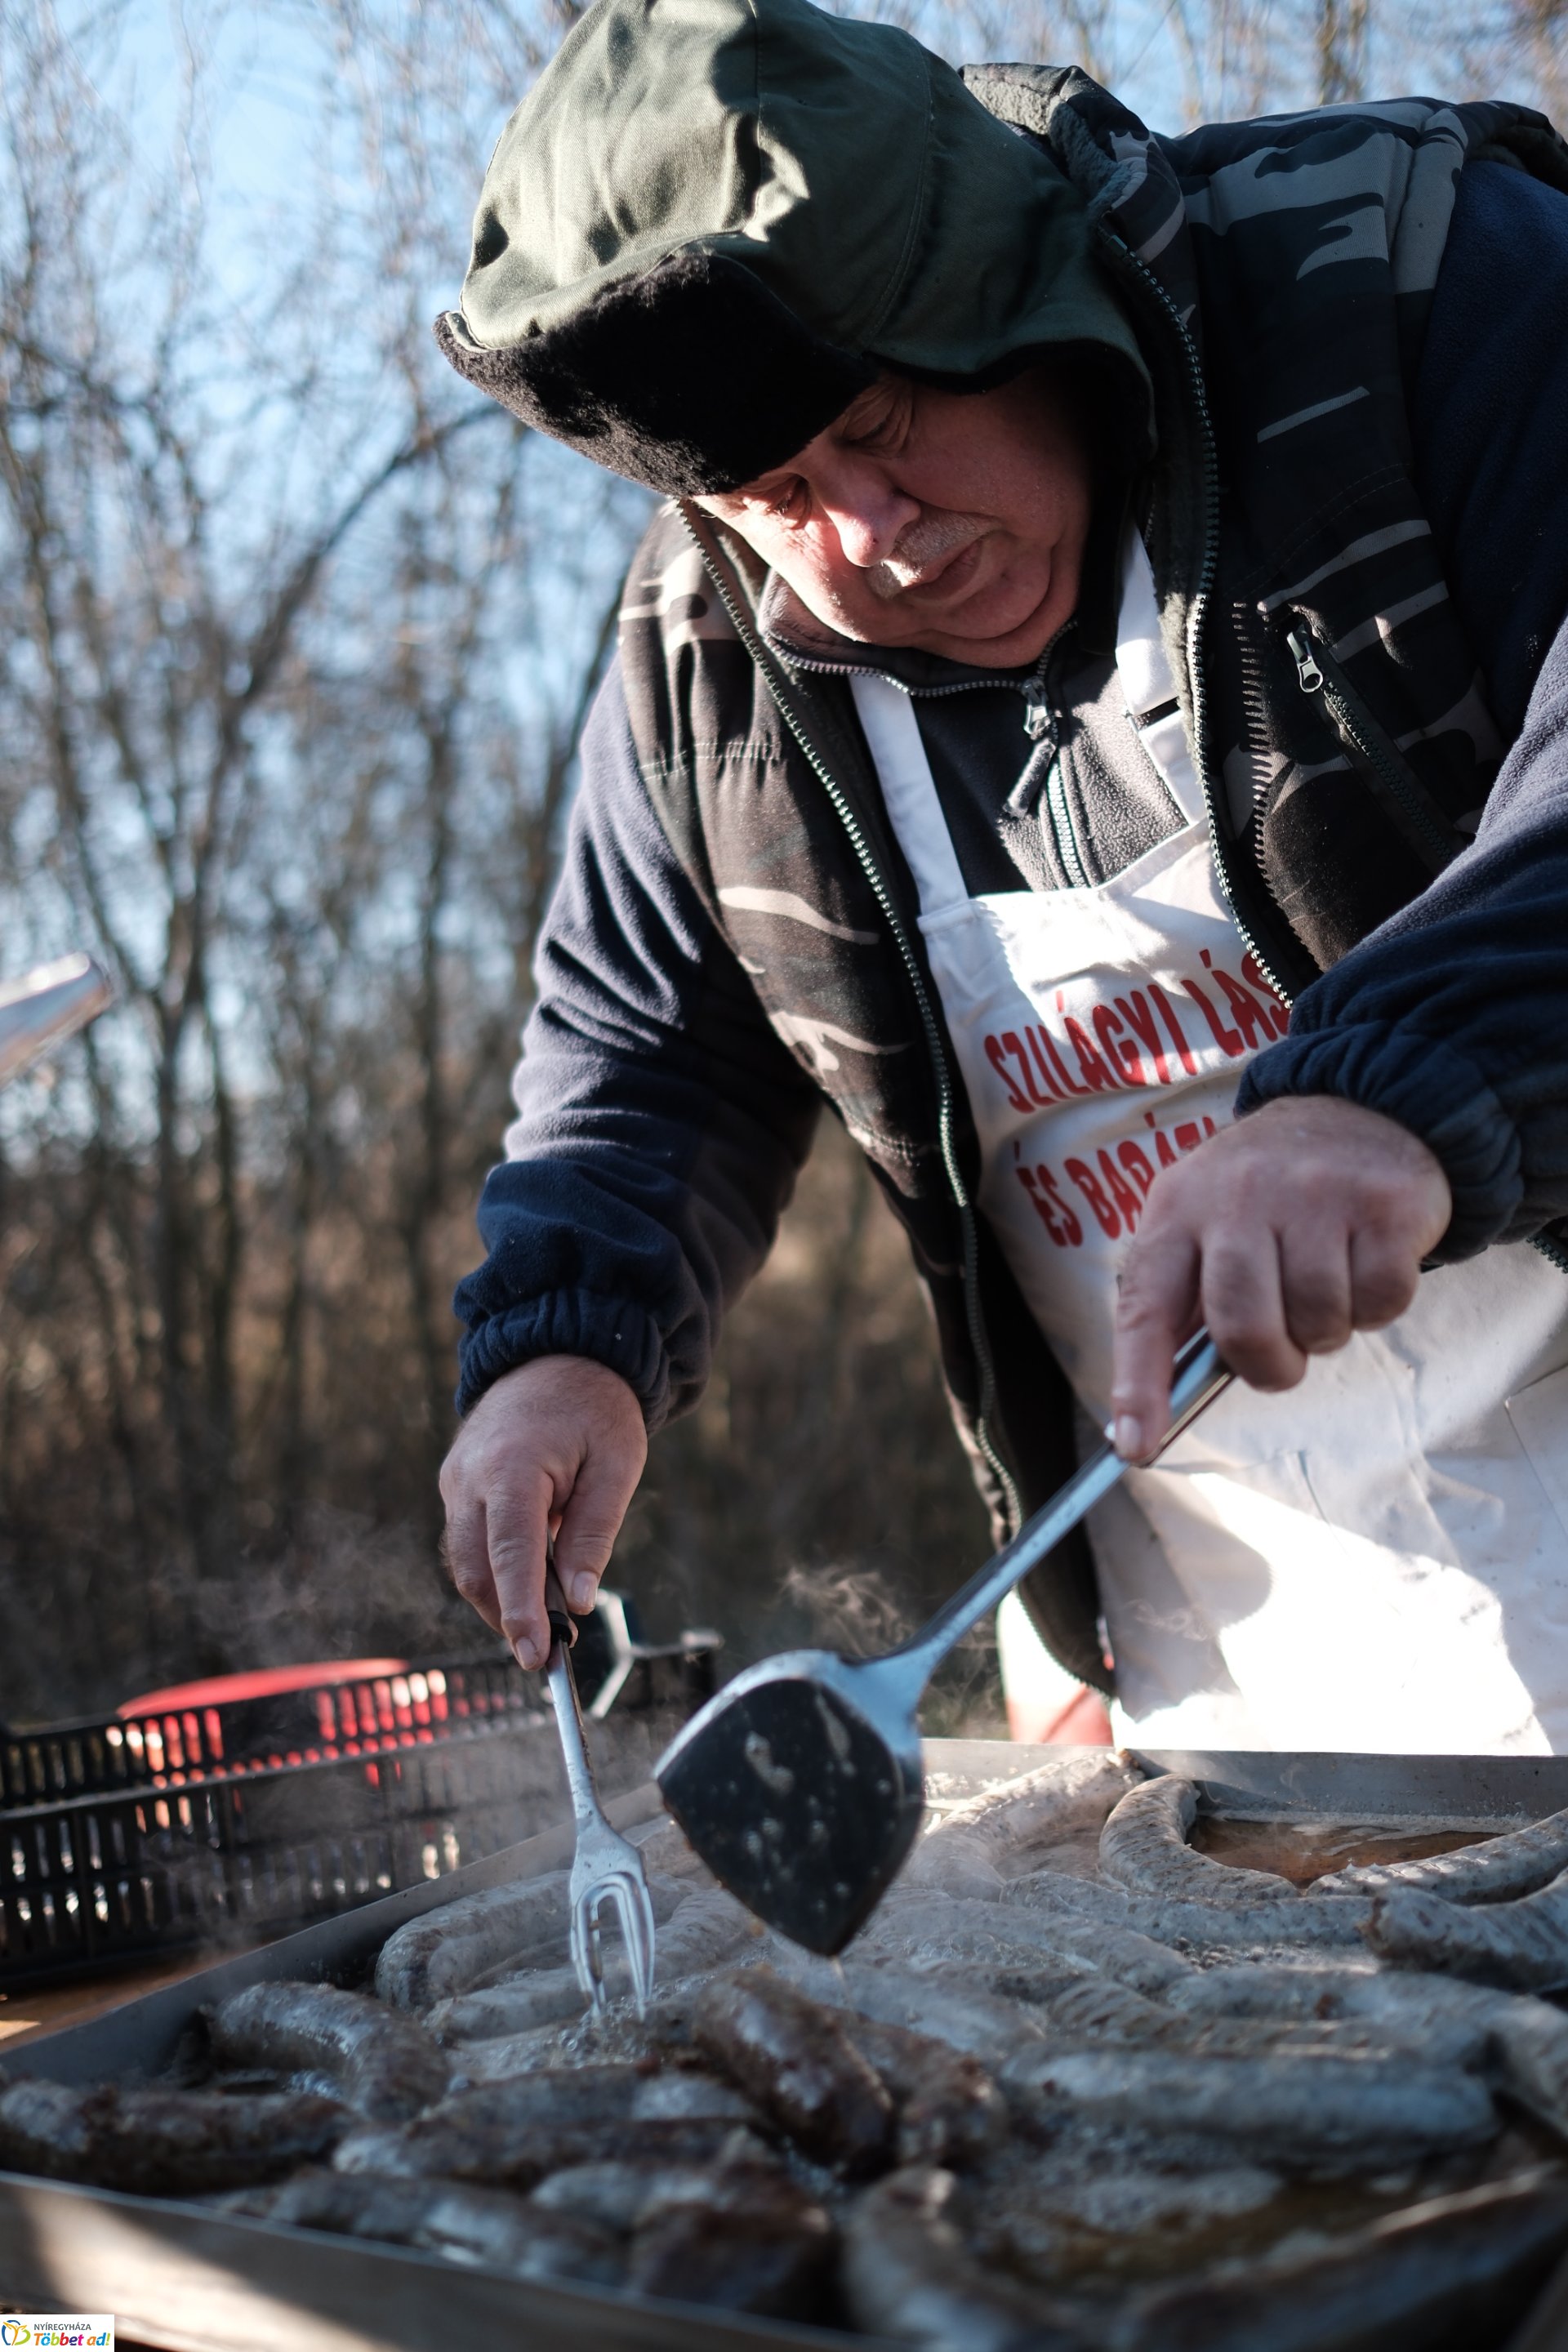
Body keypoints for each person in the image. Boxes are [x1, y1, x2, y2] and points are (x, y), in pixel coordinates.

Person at [434, 0, 1568, 1752]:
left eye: (890, 422)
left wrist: (1396, 1098)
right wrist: (568, 1340)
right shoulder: (706, 660)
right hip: (1240, 1698)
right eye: (778, 491)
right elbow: (646, 1058)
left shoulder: (1426, 296)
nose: (873, 542)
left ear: (1013, 286)